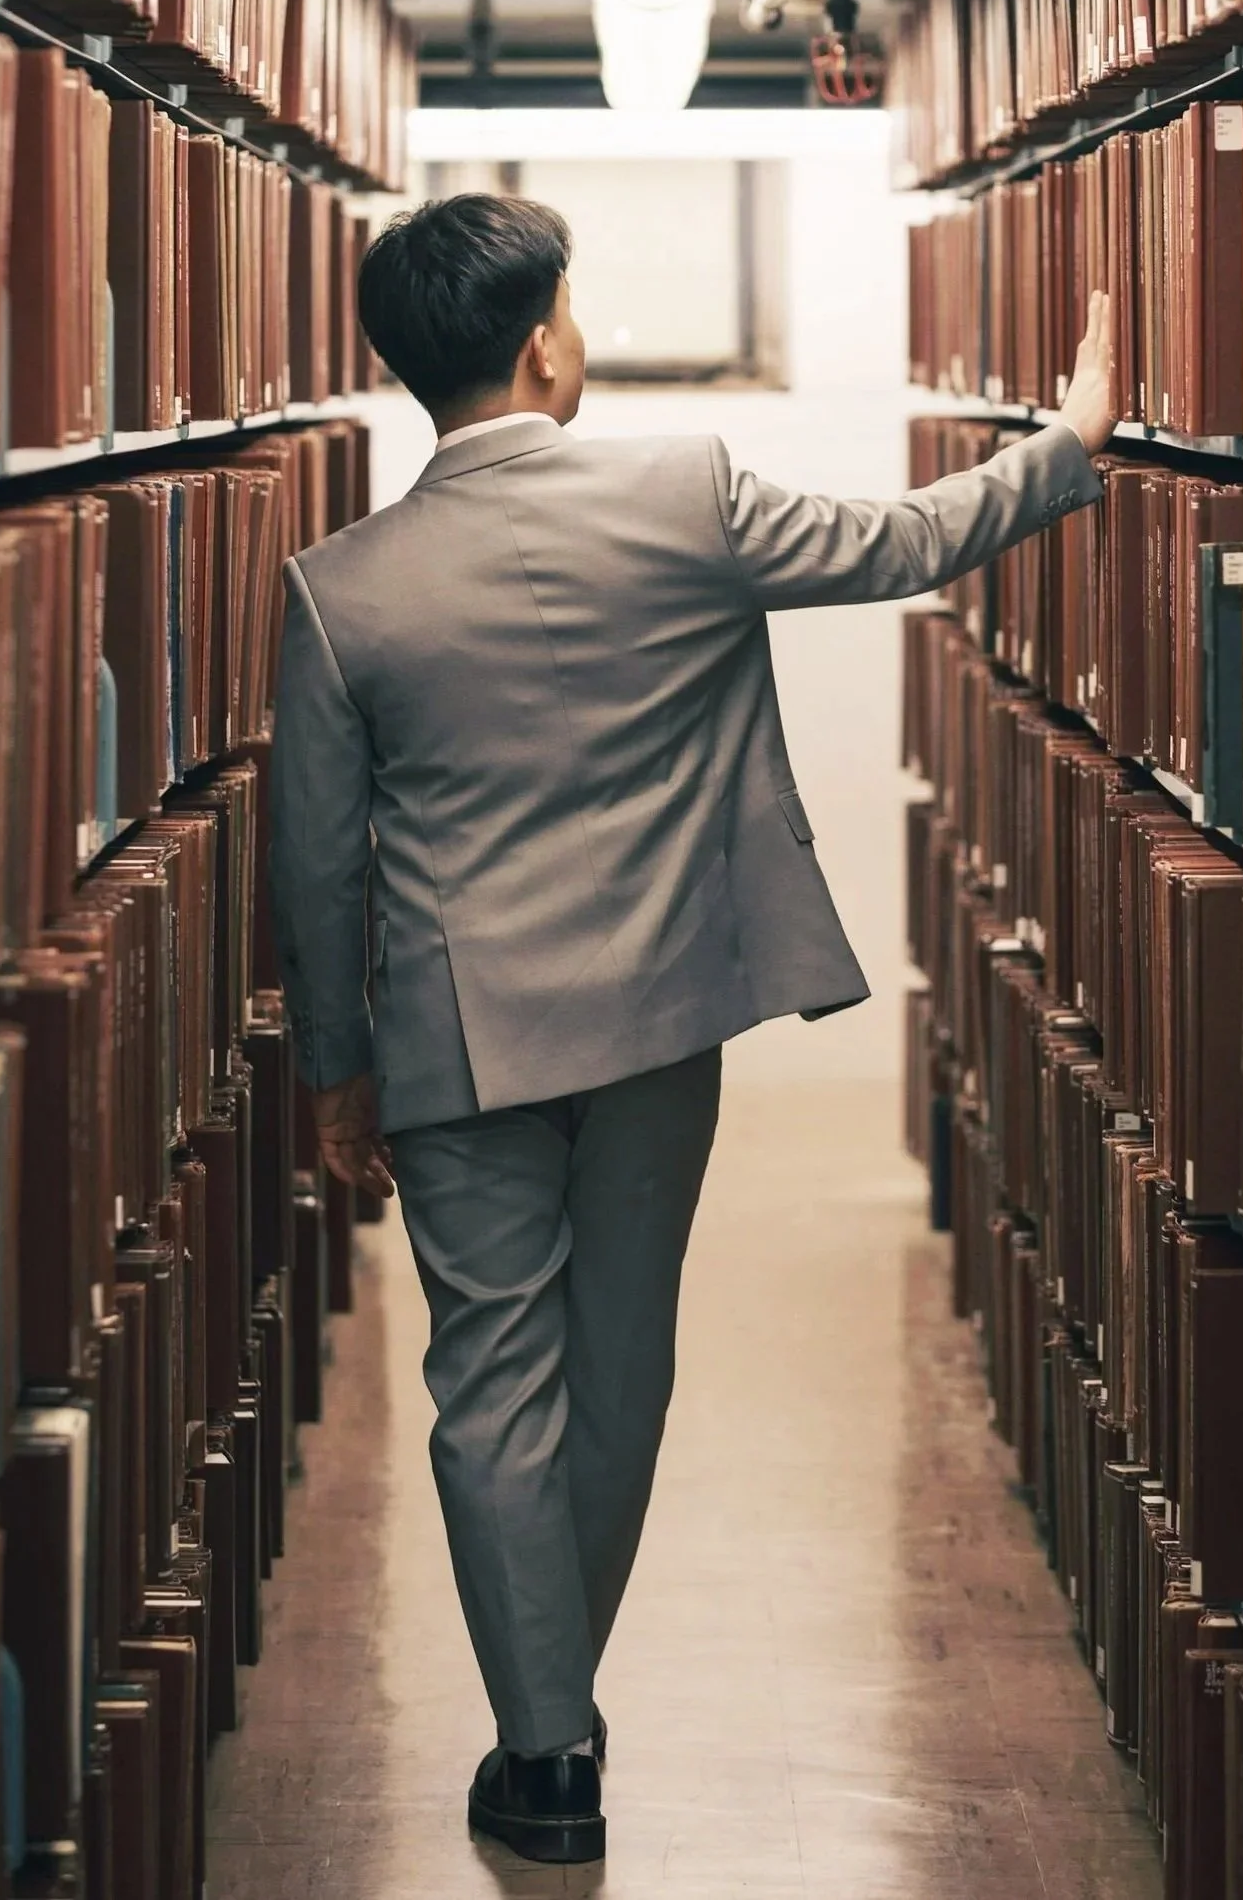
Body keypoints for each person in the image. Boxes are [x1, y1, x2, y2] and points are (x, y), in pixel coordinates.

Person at [267, 192, 1115, 1865]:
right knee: (624, 1367)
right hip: (662, 1020)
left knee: (486, 1383)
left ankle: (546, 1747)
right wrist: (1066, 442)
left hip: (458, 1051)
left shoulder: (337, 592)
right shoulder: (689, 497)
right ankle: (554, 1716)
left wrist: (336, 1083)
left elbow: (316, 869)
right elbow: (904, 540)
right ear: (542, 343)